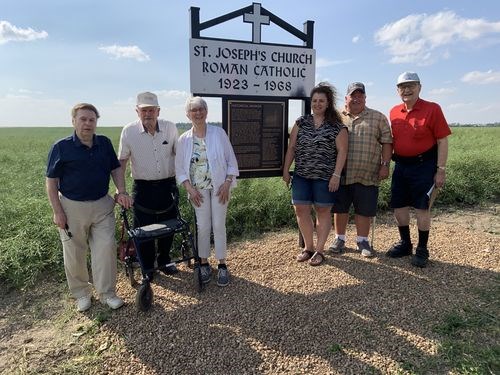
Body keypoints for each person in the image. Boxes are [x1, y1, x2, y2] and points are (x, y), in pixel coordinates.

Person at [46, 103, 133, 312]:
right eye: (83, 119)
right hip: (71, 208)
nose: (87, 123)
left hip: (102, 205)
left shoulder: (103, 143)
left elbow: (115, 169)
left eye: (92, 120)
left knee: (105, 250)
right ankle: (82, 294)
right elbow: (51, 181)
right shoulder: (61, 147)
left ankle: (107, 294)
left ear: (96, 122)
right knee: (75, 252)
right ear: (74, 121)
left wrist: (121, 191)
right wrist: (57, 211)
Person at [386, 72, 451, 268]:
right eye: (402, 86)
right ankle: (405, 244)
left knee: (422, 207)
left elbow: (442, 140)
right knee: (399, 206)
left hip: (424, 166)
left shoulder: (432, 109)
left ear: (419, 87)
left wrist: (441, 169)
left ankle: (422, 249)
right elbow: (391, 141)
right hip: (401, 166)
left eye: (411, 85)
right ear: (397, 91)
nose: (406, 89)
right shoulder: (394, 112)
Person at [175, 96, 239, 287]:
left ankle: (221, 265)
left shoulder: (219, 133)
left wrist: (228, 183)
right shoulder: (184, 139)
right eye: (193, 110)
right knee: (203, 227)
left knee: (219, 225)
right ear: (188, 114)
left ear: (206, 112)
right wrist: (189, 189)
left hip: (220, 189)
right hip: (198, 191)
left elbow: (231, 161)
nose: (198, 113)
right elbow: (179, 168)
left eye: (201, 109)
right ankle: (203, 262)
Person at [283, 82, 348, 266]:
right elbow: (292, 148)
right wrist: (286, 170)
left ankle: (319, 250)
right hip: (302, 175)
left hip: (325, 178)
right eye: (314, 100)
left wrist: (336, 175)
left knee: (323, 211)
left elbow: (342, 152)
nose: (317, 104)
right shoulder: (301, 122)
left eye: (321, 101)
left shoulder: (337, 127)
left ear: (328, 103)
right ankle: (308, 248)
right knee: (301, 210)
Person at [118, 92, 179, 281]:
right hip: (143, 188)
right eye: (144, 110)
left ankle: (165, 260)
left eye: (151, 110)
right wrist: (122, 191)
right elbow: (122, 162)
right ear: (137, 111)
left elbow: (180, 154)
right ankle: (147, 267)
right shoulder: (129, 132)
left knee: (168, 227)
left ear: (158, 111)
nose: (148, 114)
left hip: (168, 185)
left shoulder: (170, 128)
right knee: (143, 230)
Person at [329, 82, 393, 257]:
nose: (356, 99)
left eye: (360, 96)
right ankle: (339, 239)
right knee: (340, 208)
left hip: (368, 172)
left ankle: (362, 241)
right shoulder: (335, 117)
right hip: (340, 173)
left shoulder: (378, 117)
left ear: (365, 98)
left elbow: (387, 142)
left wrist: (385, 165)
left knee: (364, 209)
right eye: (353, 95)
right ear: (346, 98)